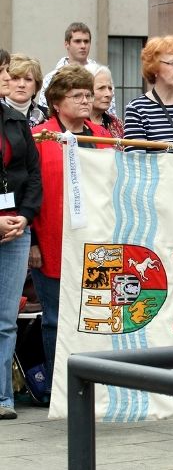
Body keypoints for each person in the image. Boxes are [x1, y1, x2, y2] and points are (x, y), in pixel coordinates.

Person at [30, 65, 112, 396]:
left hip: (97, 243)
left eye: (88, 95)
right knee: (55, 319)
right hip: (52, 240)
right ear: (56, 102)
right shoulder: (40, 138)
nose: (85, 100)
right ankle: (59, 386)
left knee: (95, 316)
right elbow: (30, 194)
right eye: (76, 95)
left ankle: (94, 385)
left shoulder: (102, 137)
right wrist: (33, 242)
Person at [0, 51, 42, 419]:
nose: (8, 78)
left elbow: (33, 175)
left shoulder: (16, 122)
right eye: (3, 73)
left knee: (5, 319)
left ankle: (3, 397)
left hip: (16, 230)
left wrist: (25, 217)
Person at [38, 22, 115, 115]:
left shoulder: (102, 74)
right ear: (66, 44)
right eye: (78, 41)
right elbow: (46, 113)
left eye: (86, 41)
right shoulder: (51, 77)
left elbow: (111, 113)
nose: (83, 46)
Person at [5, 54, 47, 126]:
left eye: (28, 79)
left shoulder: (48, 116)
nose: (22, 84)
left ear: (36, 86)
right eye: (15, 78)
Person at [88, 65, 123, 138]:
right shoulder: (76, 124)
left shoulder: (117, 124)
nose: (108, 94)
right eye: (101, 88)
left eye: (110, 88)